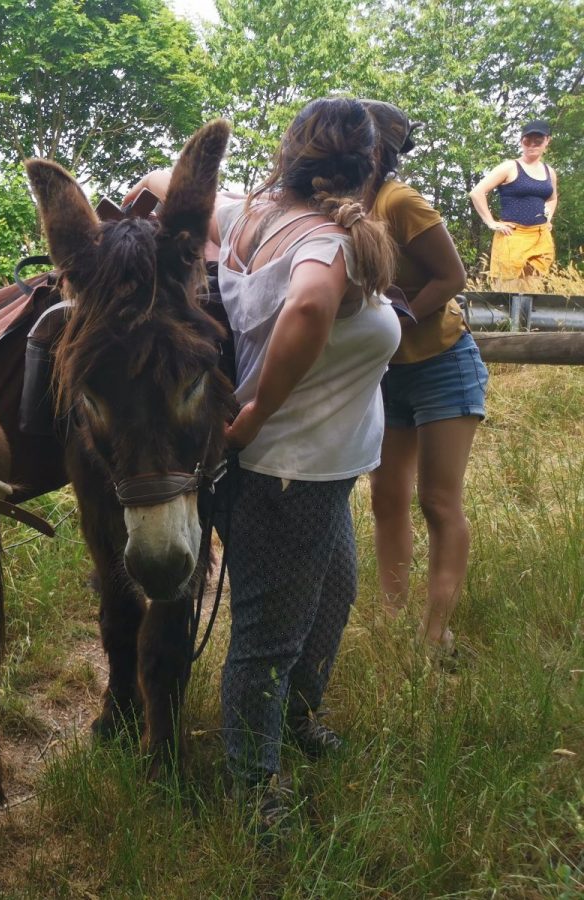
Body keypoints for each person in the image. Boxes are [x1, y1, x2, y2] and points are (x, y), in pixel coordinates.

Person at [201, 98, 400, 827]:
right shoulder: (327, 241)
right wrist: (255, 411)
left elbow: (160, 180)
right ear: (368, 164)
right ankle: (254, 789)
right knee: (269, 639)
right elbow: (312, 307)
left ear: (291, 154)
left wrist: (143, 204)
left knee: (336, 594)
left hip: (320, 472)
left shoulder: (251, 213)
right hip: (287, 471)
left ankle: (295, 720)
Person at [360, 100, 485, 661]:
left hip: (441, 363)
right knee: (386, 497)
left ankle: (435, 633)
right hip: (386, 373)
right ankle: (392, 619)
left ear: (375, 148)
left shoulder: (398, 201)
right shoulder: (346, 205)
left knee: (438, 500)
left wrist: (401, 311)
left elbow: (453, 275)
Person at [469, 120, 558, 291]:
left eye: (537, 140)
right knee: (507, 293)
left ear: (547, 141)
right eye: (527, 140)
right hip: (513, 236)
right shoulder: (510, 167)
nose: (532, 144)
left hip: (540, 237)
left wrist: (548, 217)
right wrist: (491, 222)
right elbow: (477, 192)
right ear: (521, 141)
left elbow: (552, 198)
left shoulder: (549, 172)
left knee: (533, 292)